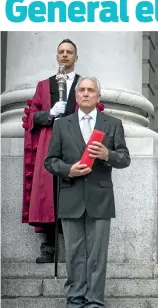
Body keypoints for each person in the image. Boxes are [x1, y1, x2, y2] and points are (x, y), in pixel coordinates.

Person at [44, 77, 130, 307]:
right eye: (81, 90)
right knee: (73, 254)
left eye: (91, 90)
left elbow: (124, 159)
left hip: (100, 199)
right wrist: (68, 169)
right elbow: (50, 161)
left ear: (98, 97)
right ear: (76, 95)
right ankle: (74, 300)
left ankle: (94, 302)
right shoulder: (62, 125)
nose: (85, 93)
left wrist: (107, 155)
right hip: (71, 196)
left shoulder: (113, 124)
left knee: (97, 256)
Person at [21, 39, 101, 263]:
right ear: (57, 57)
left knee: (73, 190)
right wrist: (48, 114)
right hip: (49, 142)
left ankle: (77, 248)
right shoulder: (44, 86)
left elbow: (94, 111)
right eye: (61, 52)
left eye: (69, 52)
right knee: (49, 192)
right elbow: (31, 117)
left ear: (76, 57)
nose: (65, 55)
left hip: (75, 142)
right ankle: (49, 248)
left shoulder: (83, 85)